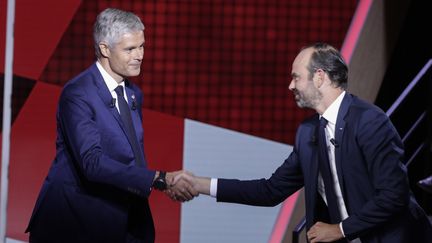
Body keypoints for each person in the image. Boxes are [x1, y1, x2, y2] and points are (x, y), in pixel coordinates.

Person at [173, 43, 432, 242]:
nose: (290, 85)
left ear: (319, 77)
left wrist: (340, 230)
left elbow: (393, 195)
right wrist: (200, 184)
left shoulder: (369, 121)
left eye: (296, 77)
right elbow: (270, 190)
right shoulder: (307, 132)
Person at [25, 8, 196, 243]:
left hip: (124, 219)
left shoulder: (134, 94)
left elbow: (130, 156)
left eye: (142, 46)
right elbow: (92, 163)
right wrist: (159, 178)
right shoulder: (78, 93)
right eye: (130, 49)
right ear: (105, 49)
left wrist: (161, 183)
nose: (140, 55)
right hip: (75, 223)